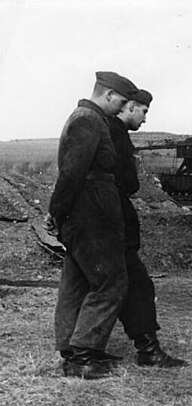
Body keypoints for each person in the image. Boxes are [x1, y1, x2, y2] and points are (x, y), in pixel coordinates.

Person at [46, 71, 138, 379]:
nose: (124, 107)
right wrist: (56, 211)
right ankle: (83, 355)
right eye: (123, 101)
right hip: (92, 216)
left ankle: (73, 350)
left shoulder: (88, 117)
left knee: (77, 283)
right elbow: (72, 174)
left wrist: (59, 213)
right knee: (111, 283)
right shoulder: (88, 119)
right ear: (109, 94)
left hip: (83, 215)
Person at [109, 89, 186, 367]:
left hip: (96, 221)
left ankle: (82, 350)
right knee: (137, 284)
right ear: (129, 106)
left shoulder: (102, 127)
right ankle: (148, 350)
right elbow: (130, 183)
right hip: (111, 221)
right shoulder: (116, 134)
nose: (144, 120)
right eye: (143, 111)